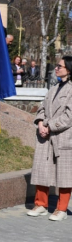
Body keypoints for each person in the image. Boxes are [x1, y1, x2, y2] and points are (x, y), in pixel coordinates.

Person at [28, 56, 72, 221]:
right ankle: (40, 204)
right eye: (56, 66)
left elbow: (69, 117)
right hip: (45, 136)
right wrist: (40, 123)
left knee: (65, 174)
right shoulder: (53, 88)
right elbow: (42, 107)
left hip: (63, 137)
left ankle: (61, 209)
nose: (56, 68)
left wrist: (50, 126)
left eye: (59, 66)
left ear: (68, 69)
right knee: (41, 169)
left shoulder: (71, 90)